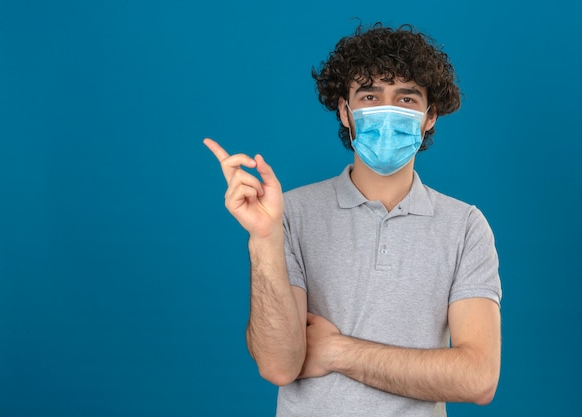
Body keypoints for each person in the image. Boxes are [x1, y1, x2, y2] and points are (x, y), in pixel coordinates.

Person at [204, 22, 502, 417]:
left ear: (430, 116)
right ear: (346, 111)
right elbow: (278, 364)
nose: (387, 111)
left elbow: (478, 379)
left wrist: (337, 351)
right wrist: (263, 237)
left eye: (406, 99)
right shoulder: (289, 213)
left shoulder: (465, 226)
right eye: (370, 95)